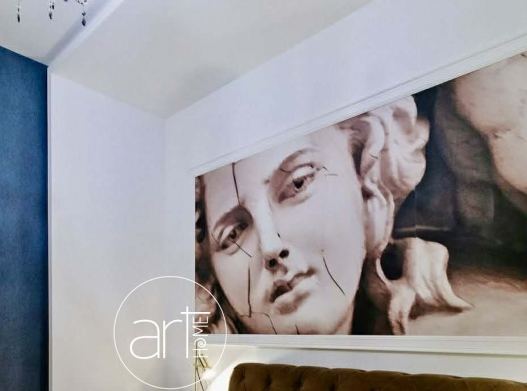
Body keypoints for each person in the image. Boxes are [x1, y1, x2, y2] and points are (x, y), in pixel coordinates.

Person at [196, 97, 468, 335]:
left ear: (365, 182)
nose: (270, 246)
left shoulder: (466, 325)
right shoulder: (215, 364)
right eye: (233, 234)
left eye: (298, 184)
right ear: (210, 271)